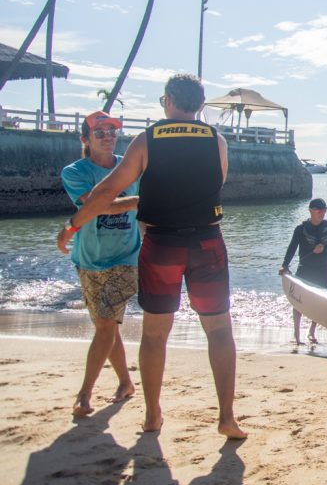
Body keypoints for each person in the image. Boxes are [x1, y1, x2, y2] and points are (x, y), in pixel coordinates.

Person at [56, 73, 246, 439]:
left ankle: (153, 415)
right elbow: (214, 185)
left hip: (161, 243)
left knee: (156, 334)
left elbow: (108, 187)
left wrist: (73, 224)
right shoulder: (216, 140)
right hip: (207, 241)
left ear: (168, 101)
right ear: (200, 105)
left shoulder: (149, 139)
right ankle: (226, 417)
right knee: (220, 329)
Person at [60, 111, 141, 417]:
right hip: (89, 259)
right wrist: (136, 201)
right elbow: (95, 208)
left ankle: (84, 393)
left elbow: (138, 209)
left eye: (112, 131)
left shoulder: (131, 166)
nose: (108, 136)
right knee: (107, 328)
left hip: (127, 257)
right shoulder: (74, 172)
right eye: (100, 132)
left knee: (106, 324)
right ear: (85, 139)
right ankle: (125, 383)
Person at [279, 198, 327, 344]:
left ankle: (312, 331)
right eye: (320, 211)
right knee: (298, 301)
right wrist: (285, 265)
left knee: (318, 302)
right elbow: (292, 248)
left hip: (323, 270)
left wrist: (324, 249)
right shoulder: (301, 229)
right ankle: (296, 333)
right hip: (304, 269)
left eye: (325, 210)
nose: (323, 213)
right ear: (311, 211)